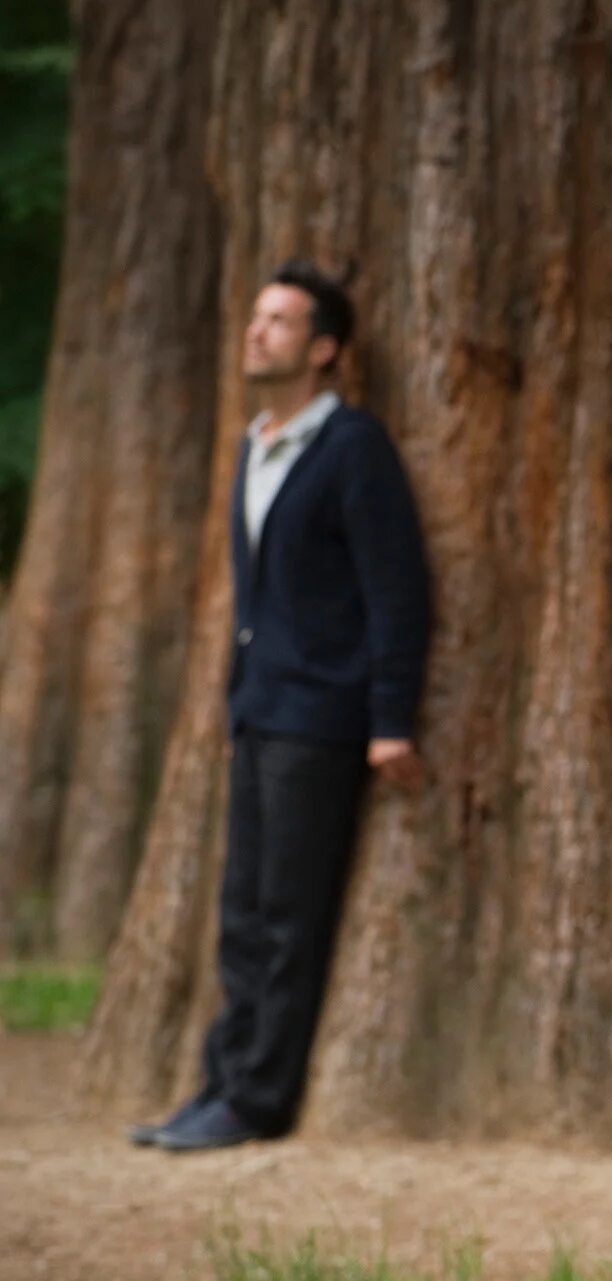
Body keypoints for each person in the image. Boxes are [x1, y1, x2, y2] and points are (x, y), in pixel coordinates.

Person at [129, 260, 431, 1153]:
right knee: (241, 912)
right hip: (258, 713)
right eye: (256, 316)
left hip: (323, 720)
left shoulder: (351, 448)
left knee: (288, 917)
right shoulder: (253, 444)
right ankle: (220, 1081)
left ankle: (256, 1100)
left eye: (279, 320)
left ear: (324, 347)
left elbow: (397, 591)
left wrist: (390, 719)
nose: (257, 331)